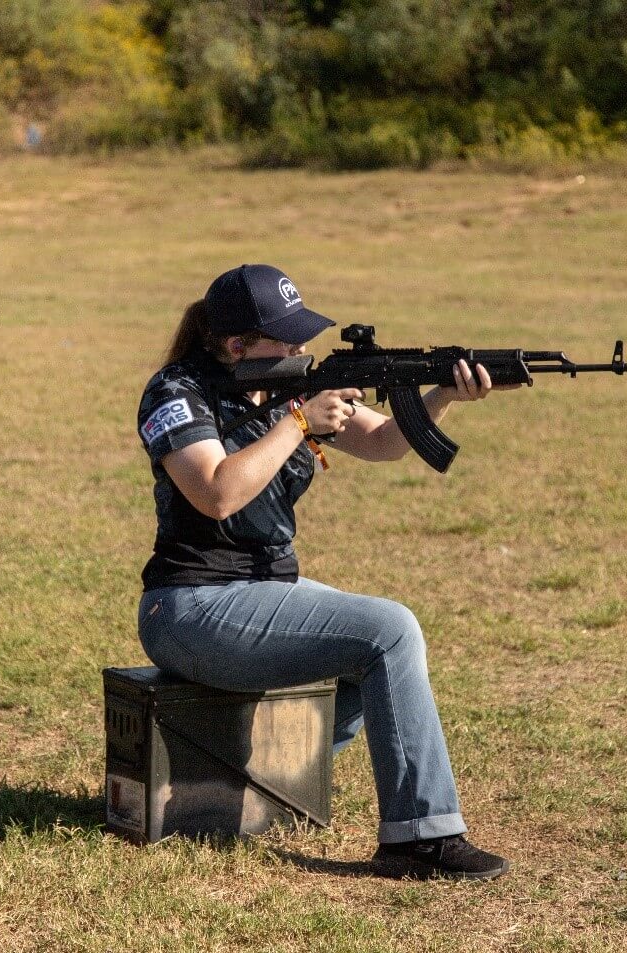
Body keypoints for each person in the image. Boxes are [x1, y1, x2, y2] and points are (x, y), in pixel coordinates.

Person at [135, 264, 519, 880]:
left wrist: (443, 392)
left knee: (378, 651)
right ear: (237, 345)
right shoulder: (177, 393)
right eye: (287, 341)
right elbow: (216, 493)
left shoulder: (290, 387)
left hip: (261, 593)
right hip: (190, 606)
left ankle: (257, 788)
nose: (302, 351)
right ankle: (420, 837)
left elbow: (387, 442)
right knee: (389, 631)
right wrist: (298, 424)